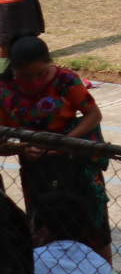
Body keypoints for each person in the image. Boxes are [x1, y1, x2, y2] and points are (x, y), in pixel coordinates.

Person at [0, 38, 108, 253]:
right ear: (13, 69)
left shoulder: (66, 80)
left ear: (49, 62)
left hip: (77, 164)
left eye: (40, 74)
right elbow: (1, 144)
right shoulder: (4, 92)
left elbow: (93, 115)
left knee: (93, 222)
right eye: (25, 76)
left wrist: (67, 142)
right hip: (36, 170)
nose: (34, 81)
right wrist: (23, 148)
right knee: (44, 226)